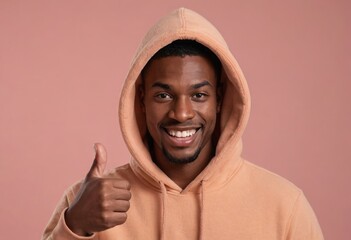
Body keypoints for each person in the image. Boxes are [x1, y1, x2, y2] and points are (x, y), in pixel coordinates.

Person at [42, 8, 324, 240]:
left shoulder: (285, 207)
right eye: (163, 95)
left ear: (220, 98)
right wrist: (75, 227)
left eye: (199, 95)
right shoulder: (90, 204)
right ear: (141, 99)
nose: (181, 113)